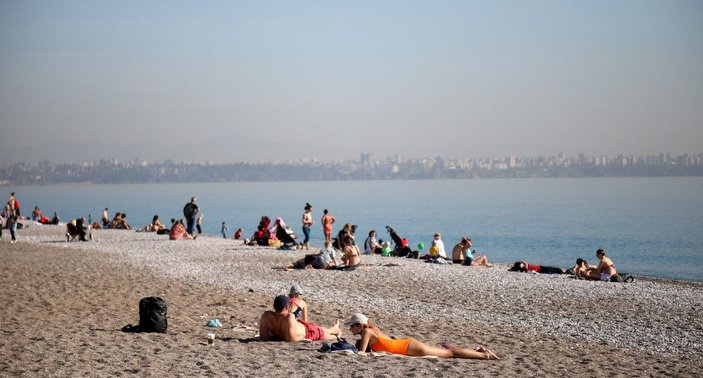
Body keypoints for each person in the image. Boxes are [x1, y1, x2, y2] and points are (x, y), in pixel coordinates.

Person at [347, 313, 498, 359]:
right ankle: (479, 352)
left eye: (351, 325)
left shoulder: (367, 332)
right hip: (408, 344)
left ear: (359, 326)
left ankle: (484, 355)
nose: (349, 328)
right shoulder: (373, 329)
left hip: (409, 347)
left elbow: (361, 353)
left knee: (449, 353)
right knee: (448, 353)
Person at [259, 295, 341, 342]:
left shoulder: (266, 315)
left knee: (322, 330)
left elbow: (264, 337)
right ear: (287, 306)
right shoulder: (289, 317)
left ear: (274, 306)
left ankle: (335, 329)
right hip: (309, 332)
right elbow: (291, 339)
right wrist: (302, 336)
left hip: (306, 328)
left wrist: (277, 336)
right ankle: (336, 331)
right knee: (329, 336)